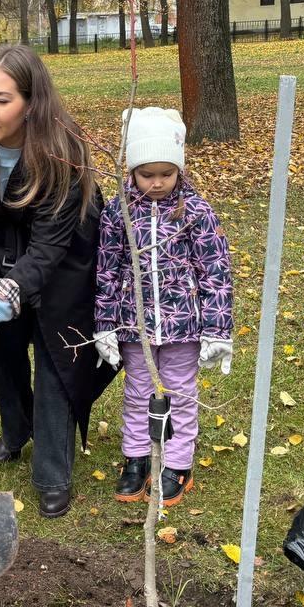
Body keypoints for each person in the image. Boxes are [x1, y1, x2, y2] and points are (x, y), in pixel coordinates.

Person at [0, 45, 113, 519]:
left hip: (64, 267)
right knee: (2, 354)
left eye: (2, 99)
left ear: (31, 104)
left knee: (54, 366)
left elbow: (49, 249)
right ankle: (16, 430)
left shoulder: (62, 153)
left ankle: (52, 473)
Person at [93, 107, 234, 506]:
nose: (157, 183)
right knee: (138, 391)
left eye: (166, 174)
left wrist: (217, 330)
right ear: (132, 171)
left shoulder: (196, 212)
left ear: (179, 169)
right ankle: (136, 458)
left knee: (180, 393)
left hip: (183, 326)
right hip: (134, 325)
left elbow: (215, 270)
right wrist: (105, 324)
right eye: (147, 174)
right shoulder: (118, 212)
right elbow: (107, 269)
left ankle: (177, 463)